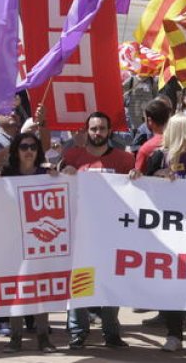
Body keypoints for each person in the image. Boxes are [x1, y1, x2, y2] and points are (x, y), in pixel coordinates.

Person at [132, 115, 186, 353]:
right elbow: (141, 187)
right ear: (181, 132)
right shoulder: (159, 156)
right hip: (168, 234)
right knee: (174, 285)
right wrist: (156, 177)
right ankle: (174, 334)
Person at [59, 111, 131, 349]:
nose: (98, 133)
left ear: (109, 131)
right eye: (93, 129)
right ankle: (78, 333)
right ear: (86, 131)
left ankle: (111, 333)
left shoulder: (124, 160)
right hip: (80, 232)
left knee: (111, 283)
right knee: (81, 283)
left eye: (102, 128)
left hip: (113, 232)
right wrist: (62, 172)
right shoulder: (72, 157)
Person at [0, 132, 58, 353]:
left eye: (33, 147)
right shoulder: (6, 174)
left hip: (40, 241)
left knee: (40, 287)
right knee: (17, 287)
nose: (28, 151)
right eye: (24, 146)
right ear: (16, 150)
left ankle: (43, 336)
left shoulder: (47, 174)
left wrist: (61, 175)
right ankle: (15, 337)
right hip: (13, 241)